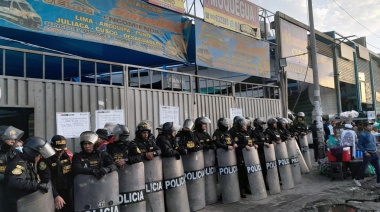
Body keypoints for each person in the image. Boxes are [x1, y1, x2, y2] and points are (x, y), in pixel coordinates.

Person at [4, 137, 55, 211]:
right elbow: (15, 181)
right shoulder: (19, 164)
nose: (40, 157)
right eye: (39, 154)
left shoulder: (27, 162)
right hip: (17, 206)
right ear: (32, 153)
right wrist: (37, 186)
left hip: (26, 204)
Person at [37, 135, 73, 211]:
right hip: (54, 194)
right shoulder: (45, 160)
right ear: (51, 147)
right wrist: (56, 195)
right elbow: (46, 181)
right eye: (58, 150)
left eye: (62, 150)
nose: (60, 152)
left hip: (68, 192)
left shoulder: (66, 155)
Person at [229, 117, 255, 198]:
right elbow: (236, 145)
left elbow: (250, 141)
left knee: (246, 173)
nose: (246, 126)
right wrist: (244, 146)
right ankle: (240, 191)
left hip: (248, 155)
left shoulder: (246, 133)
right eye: (244, 125)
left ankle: (247, 188)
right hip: (240, 155)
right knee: (241, 174)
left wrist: (253, 145)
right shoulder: (236, 134)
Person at [353, 121, 380, 187]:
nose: (370, 127)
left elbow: (373, 143)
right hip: (368, 154)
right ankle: (356, 179)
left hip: (375, 154)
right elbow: (359, 145)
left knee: (378, 169)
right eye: (369, 126)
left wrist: (377, 146)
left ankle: (378, 182)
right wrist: (365, 152)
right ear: (365, 127)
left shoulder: (372, 134)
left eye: (371, 126)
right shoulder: (363, 135)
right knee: (363, 169)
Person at [252, 118, 269, 189]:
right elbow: (255, 142)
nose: (262, 125)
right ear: (258, 125)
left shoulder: (262, 132)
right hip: (259, 153)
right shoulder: (255, 132)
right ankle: (261, 184)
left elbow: (267, 140)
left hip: (265, 152)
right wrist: (263, 143)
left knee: (265, 170)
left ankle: (265, 183)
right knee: (261, 169)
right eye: (261, 124)